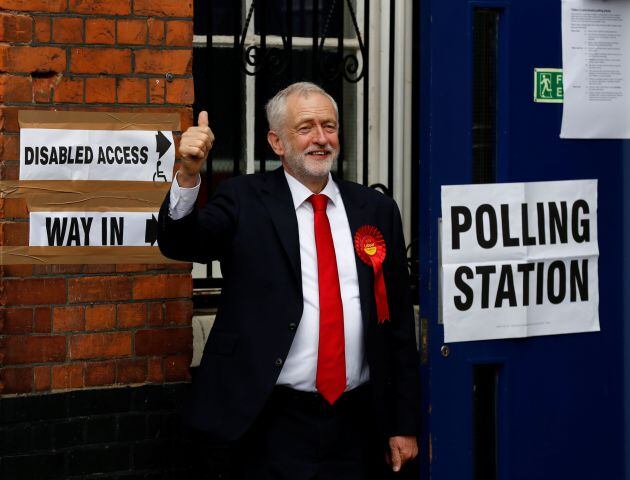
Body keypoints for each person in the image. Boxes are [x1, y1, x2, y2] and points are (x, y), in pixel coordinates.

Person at [158, 82, 420, 479]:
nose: (320, 138)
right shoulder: (243, 198)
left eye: (329, 126)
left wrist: (402, 423)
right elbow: (181, 241)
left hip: (357, 423)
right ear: (276, 141)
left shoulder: (376, 209)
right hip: (266, 420)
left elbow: (397, 323)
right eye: (305, 128)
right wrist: (189, 175)